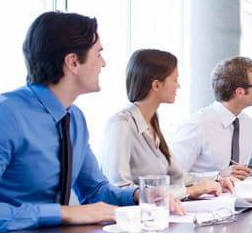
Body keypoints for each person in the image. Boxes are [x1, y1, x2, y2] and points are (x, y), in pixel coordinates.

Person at [0, 11, 180, 233]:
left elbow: (95, 191)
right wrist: (62, 213)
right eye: (99, 54)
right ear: (73, 62)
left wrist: (137, 195)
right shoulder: (2, 116)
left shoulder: (73, 118)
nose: (103, 64)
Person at [101, 49, 235, 199]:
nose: (178, 86)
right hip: (135, 219)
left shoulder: (152, 121)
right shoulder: (121, 125)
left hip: (159, 215)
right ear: (156, 85)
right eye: (175, 80)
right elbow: (118, 190)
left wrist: (216, 182)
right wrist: (190, 191)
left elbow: (180, 178)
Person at [172, 57, 252, 180]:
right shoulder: (196, 125)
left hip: (239, 197)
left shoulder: (247, 124)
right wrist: (218, 176)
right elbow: (174, 177)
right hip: (203, 199)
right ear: (240, 92)